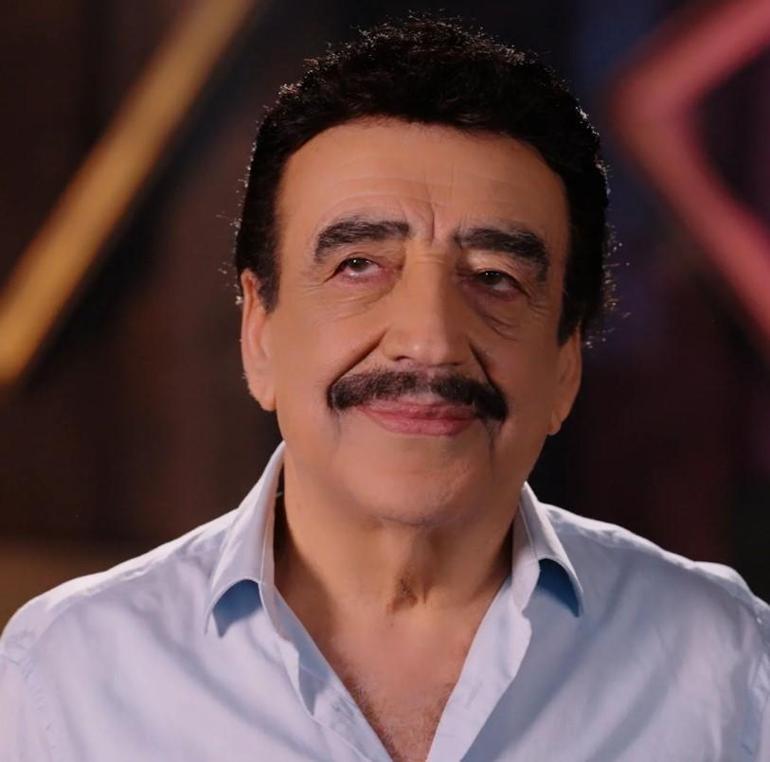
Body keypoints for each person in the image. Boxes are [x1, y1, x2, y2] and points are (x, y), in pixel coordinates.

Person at [1, 16, 768, 762]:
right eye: (359, 266)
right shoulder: (65, 677)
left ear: (566, 363)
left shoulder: (727, 666)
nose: (429, 340)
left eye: (495, 278)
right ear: (259, 332)